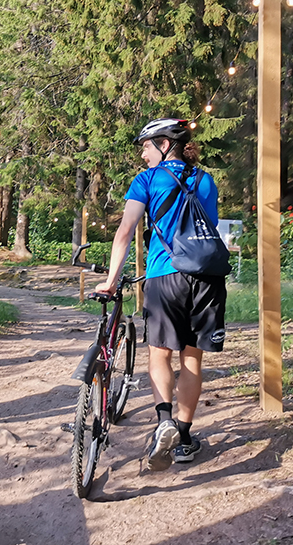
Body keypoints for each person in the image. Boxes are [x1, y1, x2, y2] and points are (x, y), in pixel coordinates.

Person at [94, 118, 227, 472]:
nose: (143, 153)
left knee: (160, 353)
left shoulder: (147, 180)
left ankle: (164, 421)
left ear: (165, 145)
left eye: (147, 146)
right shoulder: (205, 180)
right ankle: (184, 439)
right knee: (192, 360)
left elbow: (125, 231)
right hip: (207, 277)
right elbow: (206, 226)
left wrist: (111, 280)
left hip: (165, 275)